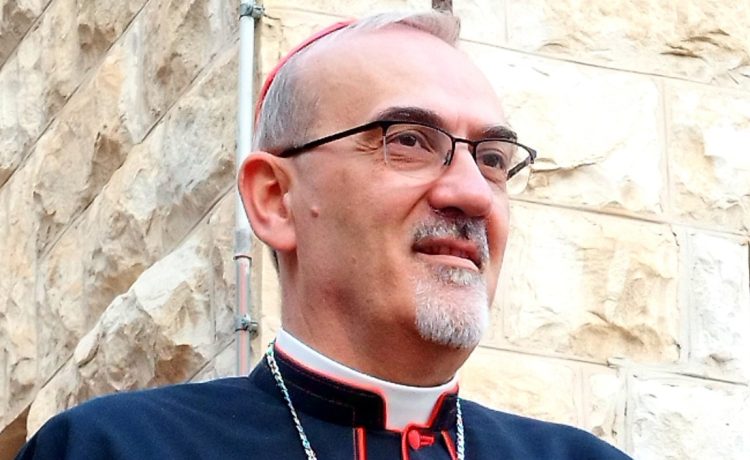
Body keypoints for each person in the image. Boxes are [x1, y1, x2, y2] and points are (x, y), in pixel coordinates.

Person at [16, 10, 632, 460]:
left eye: (492, 158)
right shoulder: (115, 448)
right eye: (408, 141)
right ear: (275, 200)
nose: (471, 193)